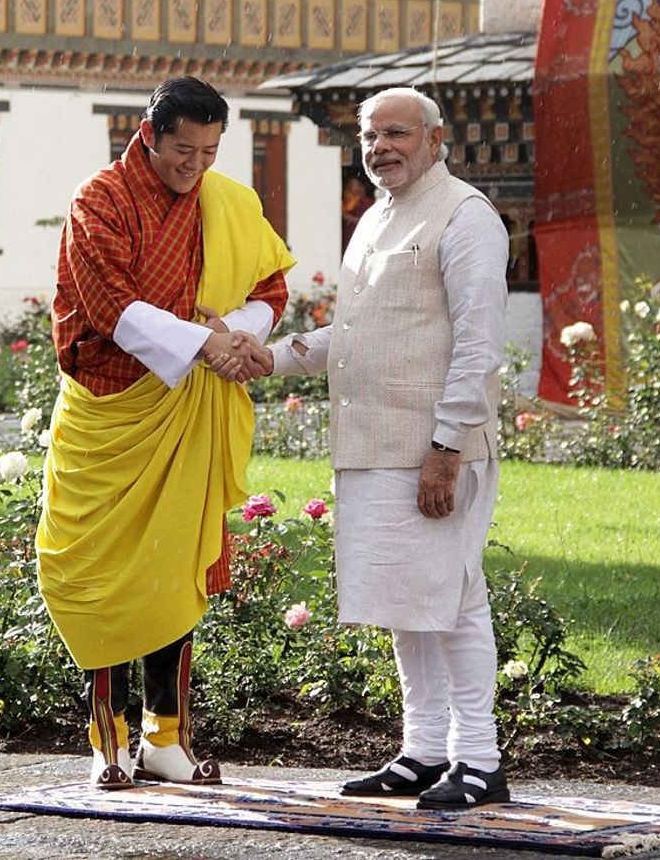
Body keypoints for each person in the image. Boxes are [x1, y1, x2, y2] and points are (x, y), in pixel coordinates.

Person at [255, 87, 510, 809]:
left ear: (436, 139)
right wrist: (269, 358)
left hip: (434, 448)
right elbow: (362, 334)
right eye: (370, 136)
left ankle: (480, 759)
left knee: (453, 597)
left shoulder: (465, 217)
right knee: (405, 602)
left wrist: (448, 446)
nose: (381, 147)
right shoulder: (374, 218)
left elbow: (480, 345)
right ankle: (425, 749)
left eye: (397, 133)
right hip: (372, 446)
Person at [36, 76, 293, 790]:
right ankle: (105, 737)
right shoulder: (99, 201)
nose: (198, 166)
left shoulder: (227, 201)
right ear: (148, 134)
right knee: (94, 575)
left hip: (187, 410)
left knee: (173, 569)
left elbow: (270, 290)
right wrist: (207, 345)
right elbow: (113, 307)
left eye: (210, 151)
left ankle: (166, 737)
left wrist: (237, 336)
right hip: (106, 413)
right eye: (185, 149)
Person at [341, 174, 374, 251]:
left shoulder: (369, 203)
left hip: (362, 241)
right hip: (346, 242)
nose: (360, 189)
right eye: (350, 186)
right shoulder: (345, 203)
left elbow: (370, 222)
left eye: (360, 186)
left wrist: (349, 218)